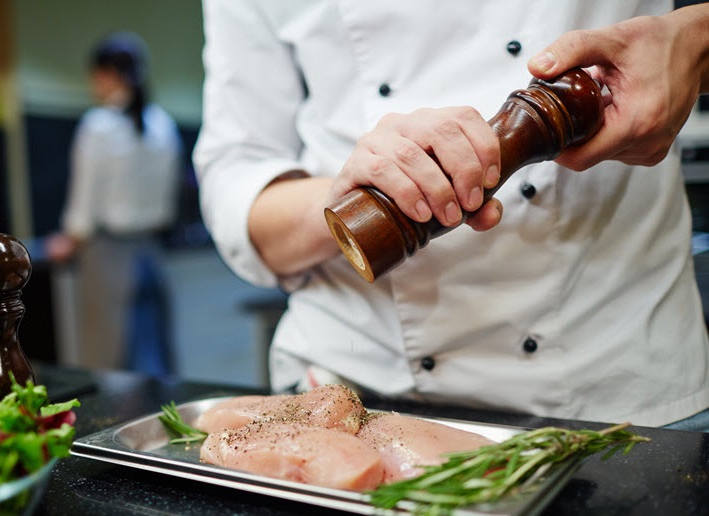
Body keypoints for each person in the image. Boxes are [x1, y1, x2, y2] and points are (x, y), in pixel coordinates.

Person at [192, 0, 709, 429]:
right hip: (352, 389)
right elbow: (238, 176)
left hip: (614, 381)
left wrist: (690, 41)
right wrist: (350, 199)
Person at [46, 32, 182, 370]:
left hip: (108, 254)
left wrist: (70, 238)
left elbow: (83, 204)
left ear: (107, 74)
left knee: (109, 359)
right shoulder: (163, 125)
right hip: (152, 253)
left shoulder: (98, 125)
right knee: (155, 355)